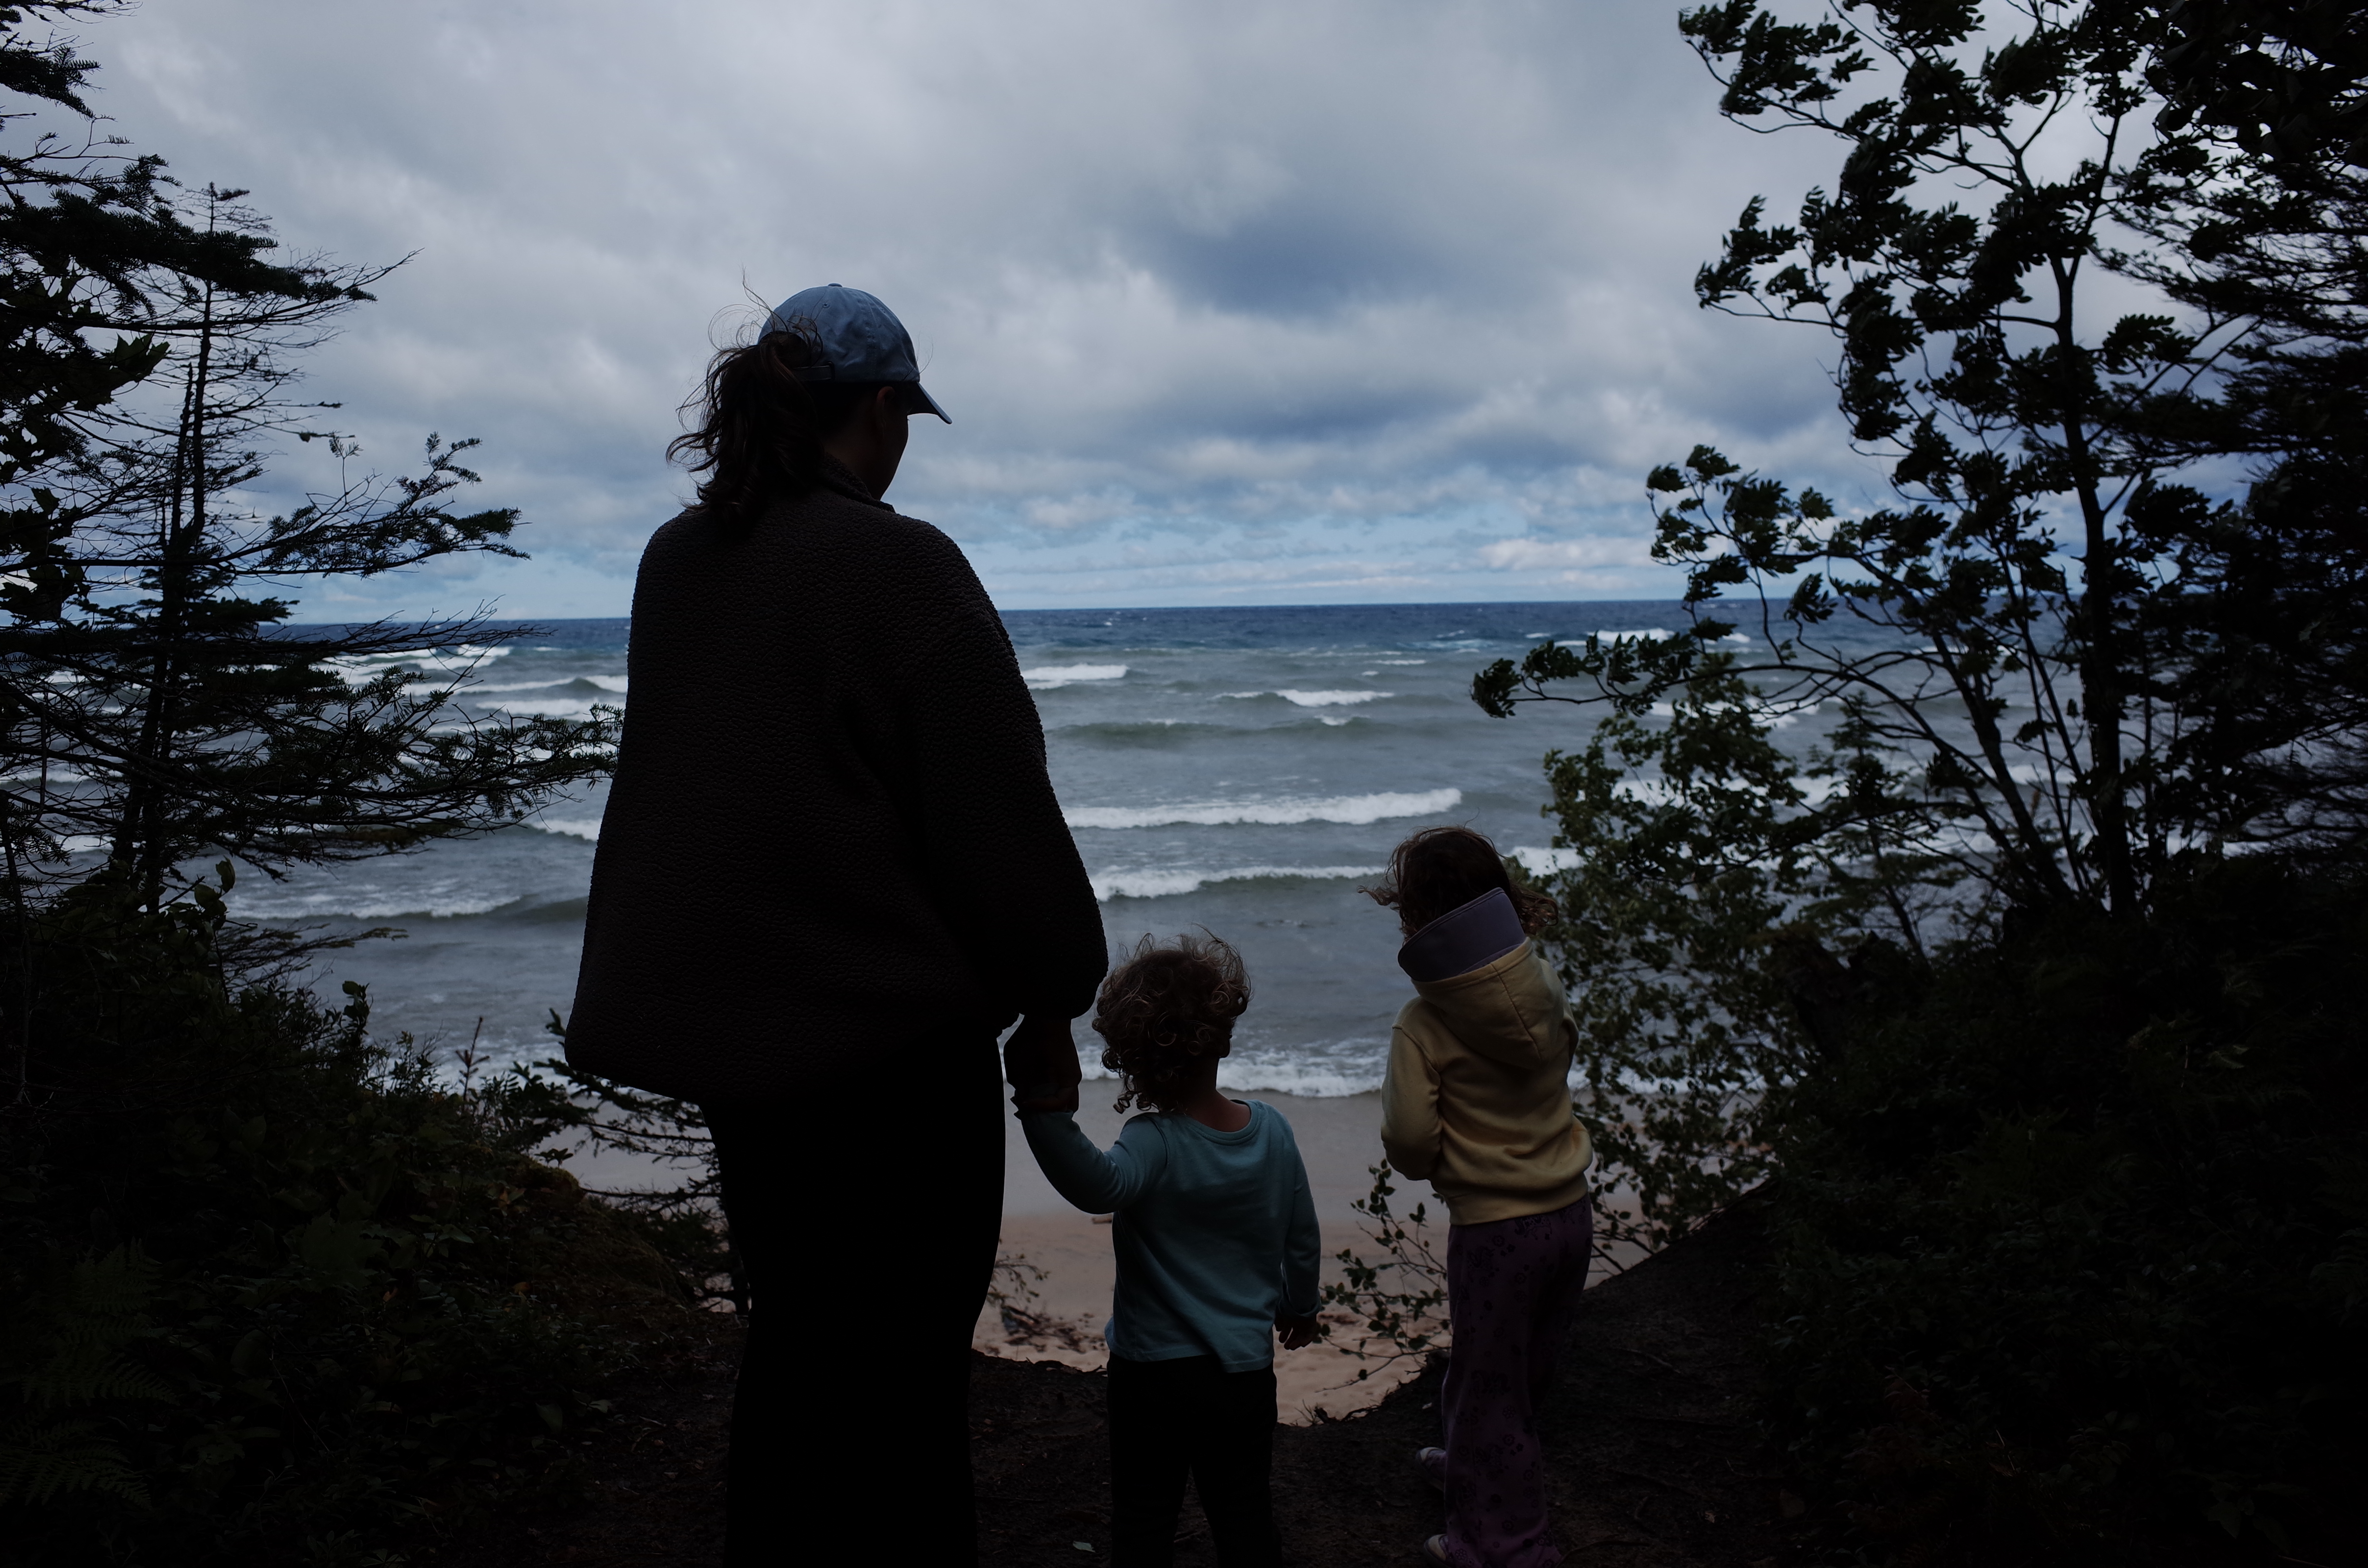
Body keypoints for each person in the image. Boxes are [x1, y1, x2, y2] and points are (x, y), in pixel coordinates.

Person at [564, 284, 1107, 1565]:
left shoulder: (677, 561)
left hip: (748, 1066)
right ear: (880, 410)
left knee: (800, 1350)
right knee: (907, 1391)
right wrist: (1053, 992)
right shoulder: (900, 566)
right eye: (906, 416)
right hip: (894, 1070)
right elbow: (994, 815)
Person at [1016, 934, 1322, 1568]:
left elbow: (1099, 1186)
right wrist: (1300, 1305)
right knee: (1243, 1514)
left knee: (1144, 1519)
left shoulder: (1152, 1142)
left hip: (1152, 1374)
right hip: (1241, 1374)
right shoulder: (1272, 1132)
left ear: (1132, 1059)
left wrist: (1046, 1116)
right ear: (1223, 1037)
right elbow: (1301, 1233)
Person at [1369, 826, 1594, 1568]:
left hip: (1498, 1232)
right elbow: (1561, 1053)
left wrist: (1442, 1159)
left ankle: (1504, 1544)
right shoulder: (1544, 982)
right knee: (1519, 1372)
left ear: (1415, 920)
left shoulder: (1424, 1023)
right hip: (1569, 1212)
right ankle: (1473, 1469)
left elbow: (1406, 1141)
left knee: (1488, 1381)